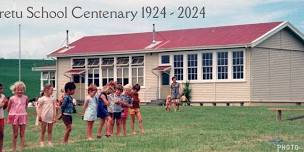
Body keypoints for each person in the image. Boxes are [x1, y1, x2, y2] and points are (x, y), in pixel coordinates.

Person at [7, 81, 29, 152]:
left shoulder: (26, 97)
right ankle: (14, 149)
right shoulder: (11, 98)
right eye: (18, 90)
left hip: (23, 116)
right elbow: (8, 108)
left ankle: (22, 149)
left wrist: (22, 113)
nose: (20, 91)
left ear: (24, 90)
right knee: (15, 134)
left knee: (22, 134)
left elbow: (25, 106)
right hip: (15, 117)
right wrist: (13, 114)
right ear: (14, 90)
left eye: (21, 90)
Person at [0, 83, 8, 152]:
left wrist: (6, 103)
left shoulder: (3, 96)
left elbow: (4, 107)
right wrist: (2, 104)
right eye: (1, 88)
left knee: (1, 134)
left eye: (2, 88)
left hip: (1, 118)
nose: (2, 90)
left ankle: (1, 149)